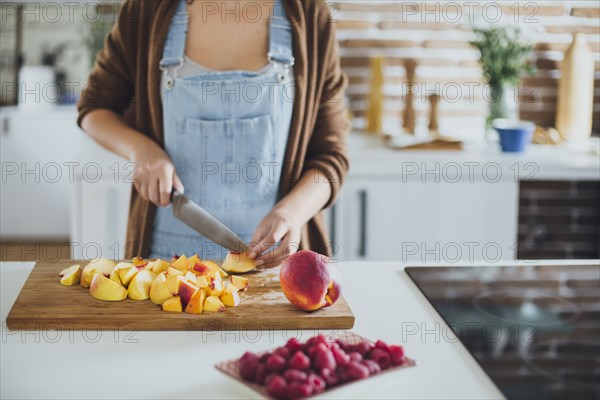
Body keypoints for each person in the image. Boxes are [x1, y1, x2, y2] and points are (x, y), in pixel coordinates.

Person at [77, 0, 349, 268]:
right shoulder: (146, 10)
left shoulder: (311, 15)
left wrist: (292, 214)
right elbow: (94, 108)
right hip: (164, 261)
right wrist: (141, 150)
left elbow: (331, 155)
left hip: (277, 268)